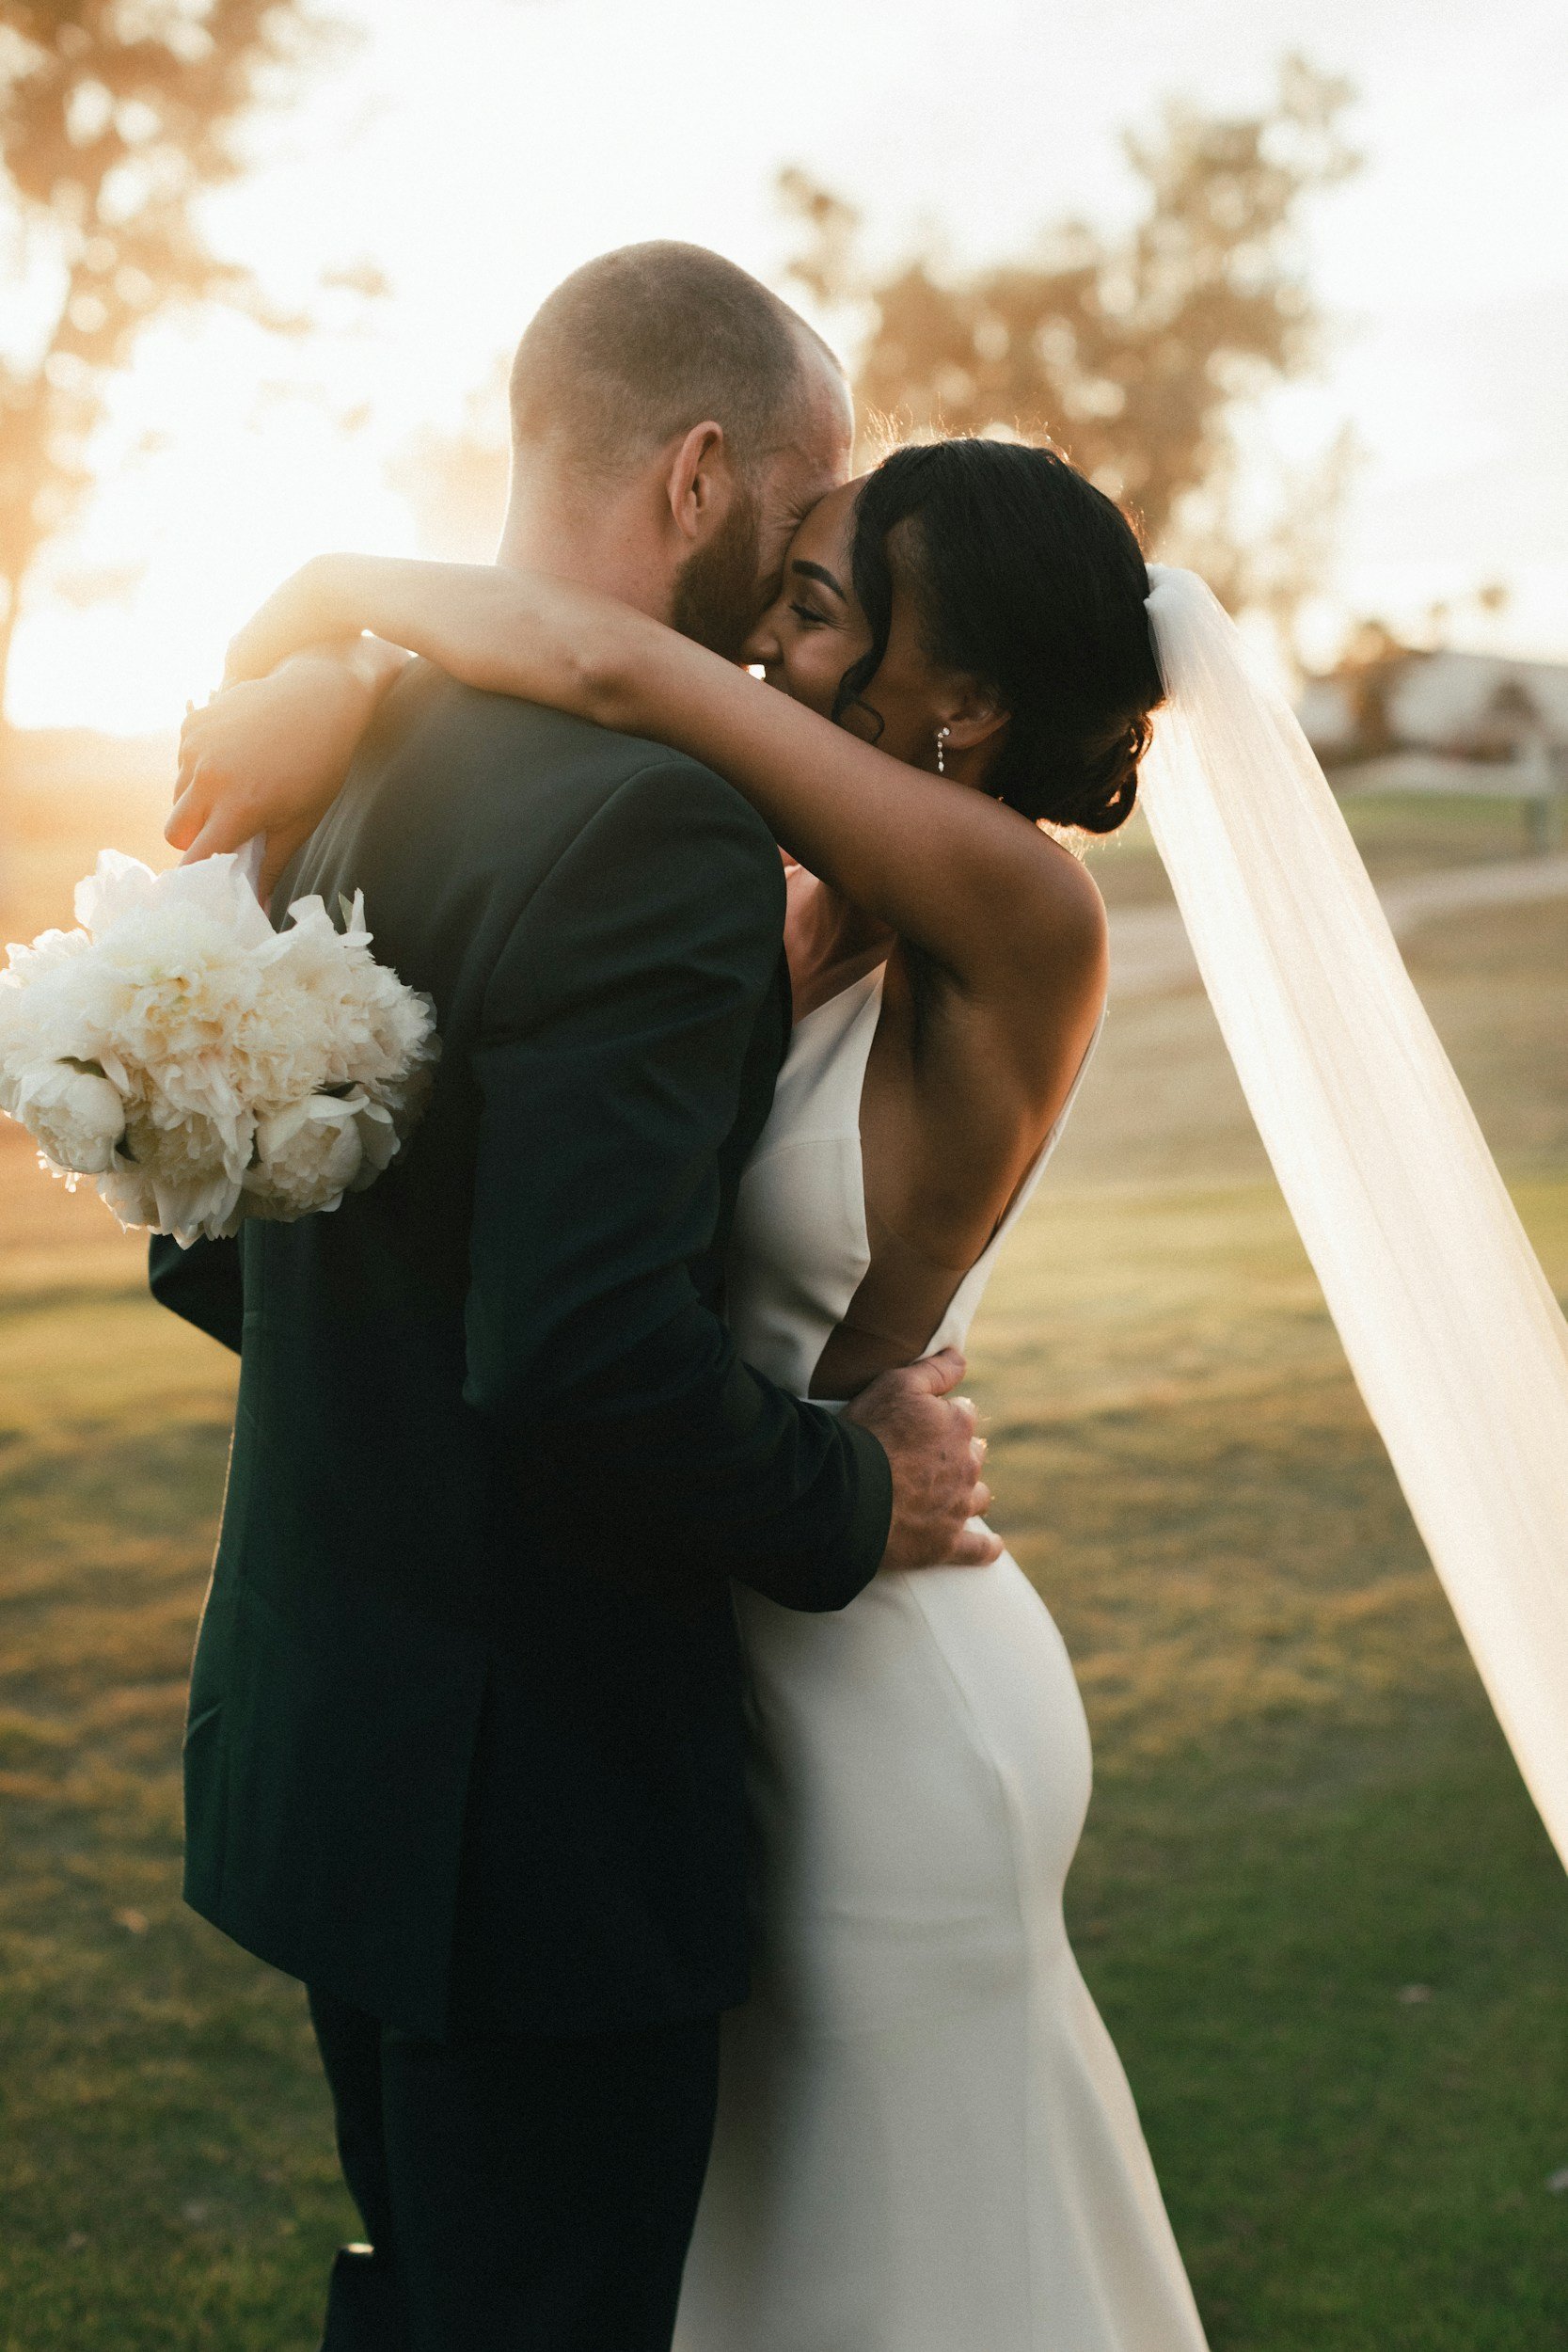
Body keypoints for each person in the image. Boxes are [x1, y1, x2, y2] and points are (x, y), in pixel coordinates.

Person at [173, 423, 1215, 2350]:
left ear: (966, 702)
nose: (763, 643)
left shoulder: (1019, 914)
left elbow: (608, 661)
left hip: (881, 1675)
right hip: (699, 1638)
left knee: (891, 2254)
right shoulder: (796, 903)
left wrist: (333, 600)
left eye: (817, 610)